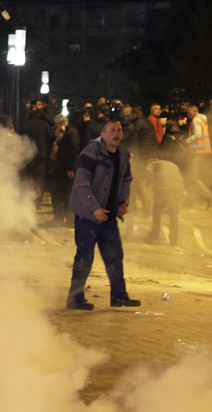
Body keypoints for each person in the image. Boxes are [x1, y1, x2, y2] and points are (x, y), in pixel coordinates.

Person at [66, 119, 141, 310]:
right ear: (103, 134)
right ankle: (75, 298)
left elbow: (126, 179)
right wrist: (93, 208)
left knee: (114, 255)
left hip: (108, 215)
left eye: (119, 130)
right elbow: (81, 183)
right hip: (87, 214)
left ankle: (119, 296)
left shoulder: (123, 155)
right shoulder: (91, 152)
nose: (117, 134)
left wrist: (123, 201)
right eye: (112, 130)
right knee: (85, 256)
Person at [49, 115, 80, 225]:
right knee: (56, 193)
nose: (57, 126)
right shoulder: (59, 134)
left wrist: (71, 168)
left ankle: (70, 219)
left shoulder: (71, 132)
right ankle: (58, 217)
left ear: (64, 122)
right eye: (56, 123)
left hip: (67, 168)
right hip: (58, 167)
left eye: (59, 123)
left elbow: (74, 150)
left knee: (68, 194)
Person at [146, 159, 184, 246]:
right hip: (177, 189)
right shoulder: (174, 165)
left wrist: (152, 183)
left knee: (157, 212)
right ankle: (173, 240)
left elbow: (148, 171)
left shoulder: (153, 163)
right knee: (173, 215)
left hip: (162, 188)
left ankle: (155, 237)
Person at [185, 105, 212, 208]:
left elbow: (198, 134)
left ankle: (207, 194)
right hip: (204, 150)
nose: (188, 114)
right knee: (195, 175)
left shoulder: (196, 120)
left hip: (197, 150)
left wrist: (187, 141)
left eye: (189, 112)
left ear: (195, 111)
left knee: (192, 176)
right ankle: (192, 198)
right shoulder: (202, 119)